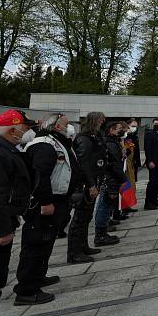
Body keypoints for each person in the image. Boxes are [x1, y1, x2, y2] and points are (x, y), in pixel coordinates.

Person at [14, 113, 79, 305]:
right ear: (57, 126)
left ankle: (38, 277)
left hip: (56, 201)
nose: (70, 128)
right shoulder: (44, 144)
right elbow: (40, 176)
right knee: (35, 243)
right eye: (67, 124)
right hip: (44, 204)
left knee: (45, 242)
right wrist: (45, 202)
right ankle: (26, 289)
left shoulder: (56, 141)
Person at [0, 110, 33, 316]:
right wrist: (3, 229)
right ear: (12, 129)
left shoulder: (1, 148)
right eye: (23, 128)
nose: (25, 132)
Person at [68, 112, 105, 263]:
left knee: (86, 216)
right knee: (79, 218)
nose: (103, 122)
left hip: (95, 179)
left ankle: (83, 246)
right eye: (101, 120)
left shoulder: (94, 137)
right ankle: (74, 252)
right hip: (85, 184)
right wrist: (90, 184)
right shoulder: (84, 139)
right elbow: (83, 163)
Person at [93, 121, 126, 247]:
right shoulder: (111, 144)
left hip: (111, 179)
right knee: (104, 205)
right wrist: (123, 178)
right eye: (119, 129)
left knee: (106, 205)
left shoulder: (114, 143)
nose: (121, 131)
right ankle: (100, 235)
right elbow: (114, 164)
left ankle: (103, 231)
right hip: (110, 179)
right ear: (111, 130)